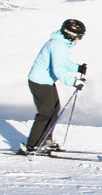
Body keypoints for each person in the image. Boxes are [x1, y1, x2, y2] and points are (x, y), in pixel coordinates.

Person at [22, 19, 87, 154]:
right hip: (40, 82)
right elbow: (58, 69)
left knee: (54, 110)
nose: (79, 39)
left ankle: (46, 140)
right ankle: (32, 145)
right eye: (79, 36)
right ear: (70, 35)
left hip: (45, 81)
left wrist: (77, 67)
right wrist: (74, 82)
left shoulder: (60, 44)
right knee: (45, 113)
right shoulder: (59, 46)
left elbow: (62, 62)